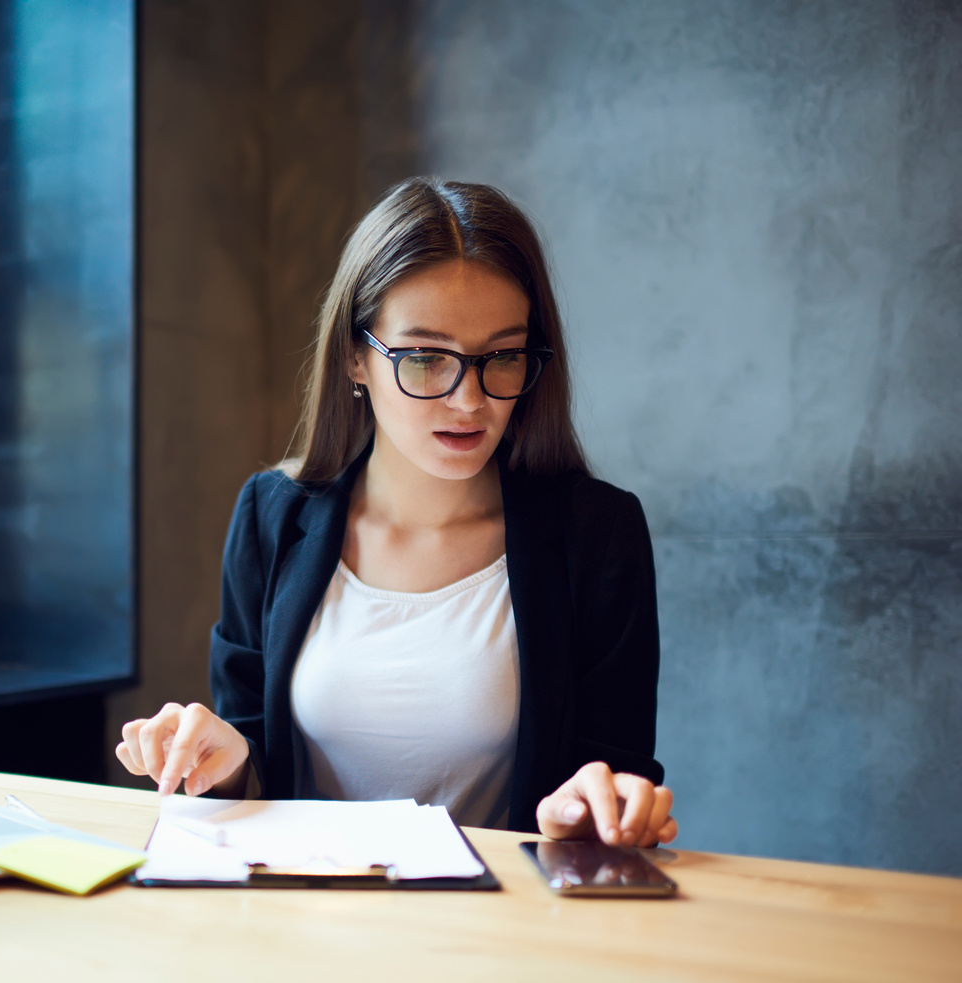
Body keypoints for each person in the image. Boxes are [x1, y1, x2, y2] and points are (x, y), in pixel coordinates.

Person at [118, 178, 677, 848]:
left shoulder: (597, 535)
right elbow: (255, 769)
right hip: (309, 921)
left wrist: (590, 814)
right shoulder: (271, 515)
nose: (469, 401)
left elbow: (616, 782)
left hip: (503, 932)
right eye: (424, 358)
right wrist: (225, 759)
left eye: (502, 356)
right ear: (356, 356)